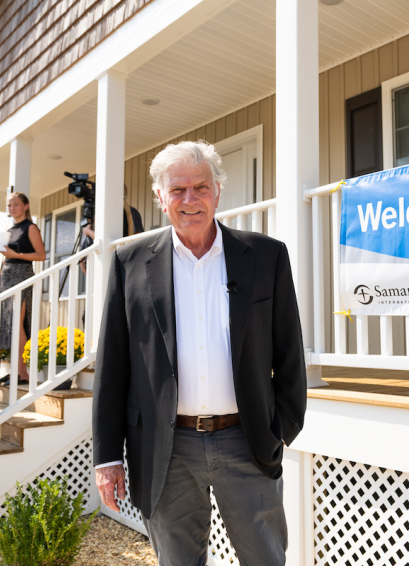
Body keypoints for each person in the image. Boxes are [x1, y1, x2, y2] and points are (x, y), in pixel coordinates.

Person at [93, 141, 307, 566]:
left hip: (247, 442)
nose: (190, 200)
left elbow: (289, 352)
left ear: (218, 191)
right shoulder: (128, 263)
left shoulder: (266, 256)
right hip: (165, 449)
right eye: (177, 190)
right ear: (159, 197)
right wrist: (107, 457)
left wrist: (280, 428)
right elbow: (113, 367)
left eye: (201, 187)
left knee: (265, 559)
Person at [0, 192, 45, 384]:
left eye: (16, 205)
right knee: (11, 325)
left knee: (18, 324)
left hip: (22, 275)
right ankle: (15, 371)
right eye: (9, 205)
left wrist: (16, 254)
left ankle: (22, 373)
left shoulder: (31, 227)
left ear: (26, 206)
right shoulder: (9, 228)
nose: (12, 209)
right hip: (7, 276)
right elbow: (5, 256)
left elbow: (41, 255)